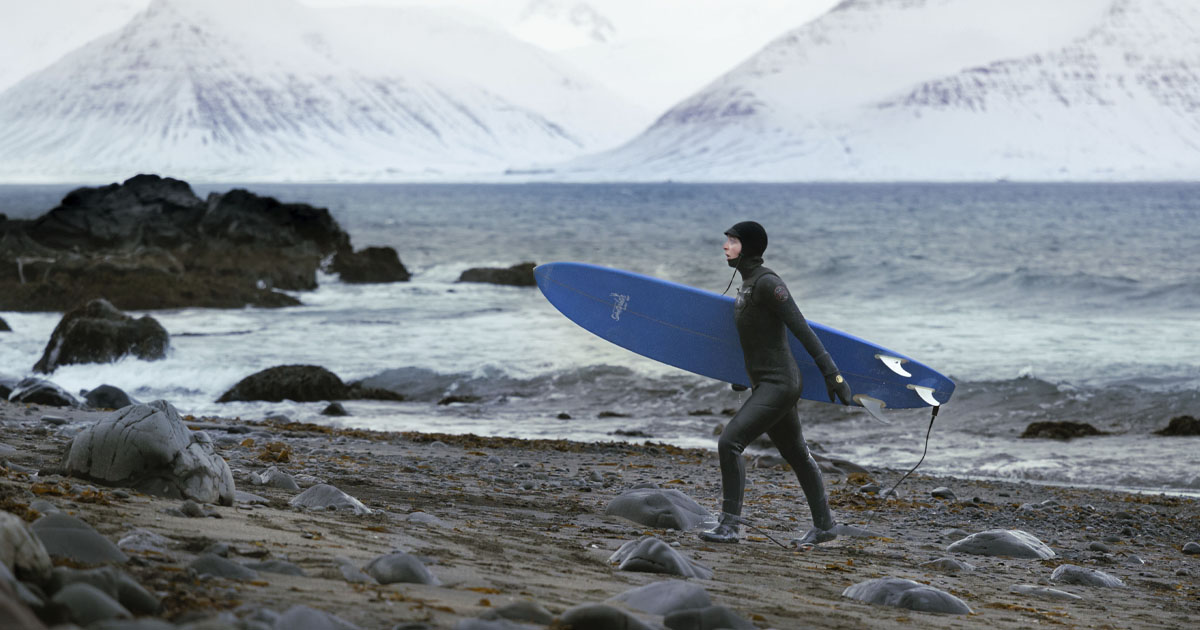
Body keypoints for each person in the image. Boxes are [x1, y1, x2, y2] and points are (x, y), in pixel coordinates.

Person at [701, 221, 853, 547]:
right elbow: (757, 341)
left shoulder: (769, 284)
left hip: (780, 383)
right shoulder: (746, 286)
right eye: (726, 240)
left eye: (732, 241)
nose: (726, 246)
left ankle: (730, 526)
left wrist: (833, 375)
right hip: (764, 383)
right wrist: (742, 376)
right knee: (797, 454)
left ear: (750, 247)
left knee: (729, 443)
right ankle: (825, 526)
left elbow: (802, 329)